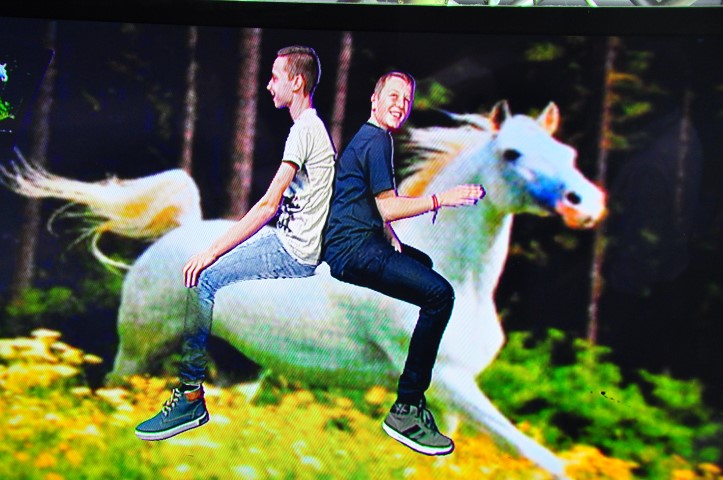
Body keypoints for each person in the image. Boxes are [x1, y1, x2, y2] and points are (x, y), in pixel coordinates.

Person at [135, 46, 336, 441]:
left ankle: (190, 397)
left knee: (205, 279)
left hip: (291, 249)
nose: (268, 85)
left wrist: (211, 252)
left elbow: (268, 204)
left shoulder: (304, 131)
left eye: (275, 77)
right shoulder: (312, 129)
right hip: (291, 240)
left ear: (297, 83)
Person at [323, 72, 485, 456]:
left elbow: (363, 199)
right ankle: (407, 407)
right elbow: (388, 206)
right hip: (354, 252)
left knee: (422, 263)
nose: (400, 105)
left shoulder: (371, 139)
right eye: (393, 96)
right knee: (440, 296)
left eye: (406, 100)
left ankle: (406, 344)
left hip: (358, 242)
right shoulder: (377, 141)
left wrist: (390, 237)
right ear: (374, 100)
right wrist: (442, 199)